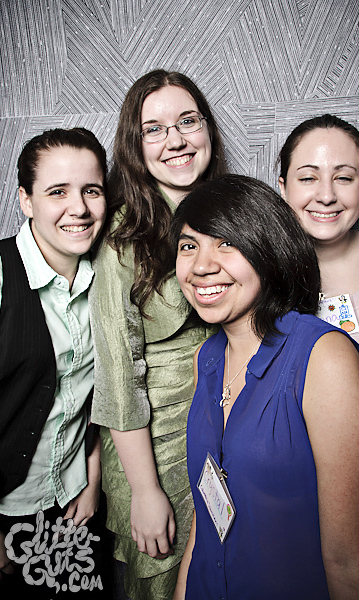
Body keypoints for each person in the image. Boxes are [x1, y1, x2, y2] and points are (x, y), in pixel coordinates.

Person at [171, 174, 359, 600]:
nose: (201, 266)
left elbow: (348, 561)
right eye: (188, 245)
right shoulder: (206, 359)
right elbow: (207, 514)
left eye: (227, 243)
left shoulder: (325, 359)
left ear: (268, 249)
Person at [89, 69, 227, 600]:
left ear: (208, 129)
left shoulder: (235, 215)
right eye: (154, 129)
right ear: (135, 145)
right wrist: (145, 490)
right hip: (155, 448)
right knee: (166, 581)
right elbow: (118, 378)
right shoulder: (121, 239)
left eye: (188, 121)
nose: (176, 140)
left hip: (227, 428)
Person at [277, 114, 359, 584]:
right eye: (308, 177)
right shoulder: (261, 283)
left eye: (344, 177)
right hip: (314, 519)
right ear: (283, 186)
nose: (326, 195)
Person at [0, 128, 109, 598]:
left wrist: (92, 477)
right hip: (8, 509)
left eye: (91, 190)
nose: (78, 208)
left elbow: (106, 393)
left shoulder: (108, 278)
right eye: (57, 192)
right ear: (26, 200)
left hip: (73, 505)